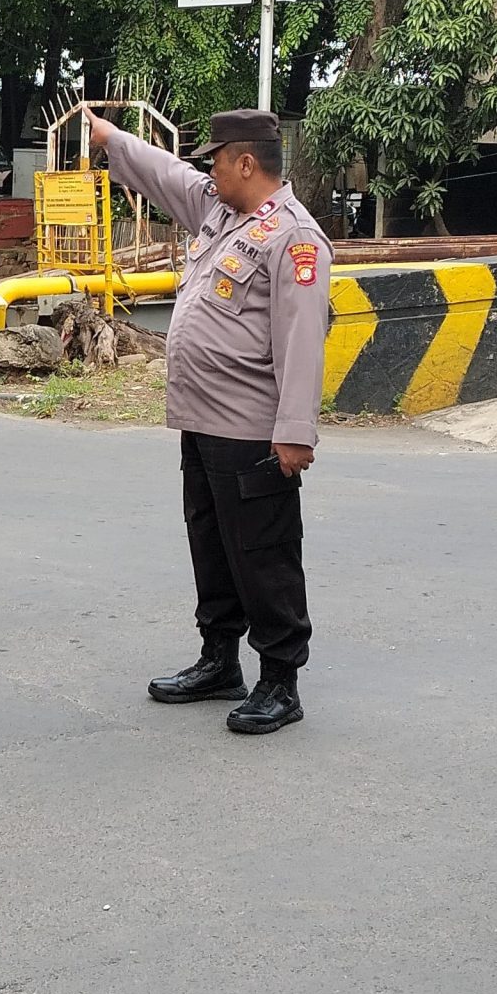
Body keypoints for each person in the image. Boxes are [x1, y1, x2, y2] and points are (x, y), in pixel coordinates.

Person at [84, 107, 330, 735]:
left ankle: (280, 679)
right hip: (201, 419)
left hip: (252, 427)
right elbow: (165, 174)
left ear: (246, 163)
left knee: (264, 553)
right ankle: (219, 658)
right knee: (211, 542)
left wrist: (295, 432)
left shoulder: (293, 238)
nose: (207, 170)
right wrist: (113, 139)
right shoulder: (220, 211)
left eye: (216, 158)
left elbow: (303, 341)